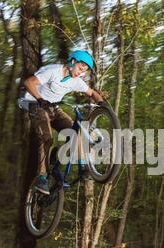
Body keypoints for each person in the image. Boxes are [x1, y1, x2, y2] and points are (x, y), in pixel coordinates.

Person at [22, 50, 105, 195]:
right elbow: (28, 83)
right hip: (36, 103)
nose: (81, 73)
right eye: (80, 68)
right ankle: (41, 178)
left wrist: (102, 104)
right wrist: (40, 99)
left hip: (54, 108)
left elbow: (92, 93)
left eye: (84, 71)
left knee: (77, 133)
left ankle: (59, 158)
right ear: (72, 62)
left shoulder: (76, 81)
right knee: (46, 138)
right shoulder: (53, 71)